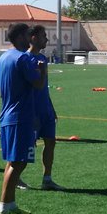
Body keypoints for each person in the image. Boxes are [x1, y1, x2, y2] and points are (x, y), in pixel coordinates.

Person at [0, 23, 43, 214]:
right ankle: (3, 208)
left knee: (13, 161)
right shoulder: (22, 58)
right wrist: (41, 70)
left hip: (8, 115)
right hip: (20, 117)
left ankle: (11, 204)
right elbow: (38, 84)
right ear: (22, 36)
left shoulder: (3, 57)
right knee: (18, 162)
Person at [27, 25, 62, 190]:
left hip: (45, 109)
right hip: (31, 110)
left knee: (51, 142)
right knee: (27, 146)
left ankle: (47, 179)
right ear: (33, 38)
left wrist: (52, 107)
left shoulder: (43, 59)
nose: (46, 39)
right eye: (43, 36)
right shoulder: (25, 59)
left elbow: (44, 86)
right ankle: (17, 177)